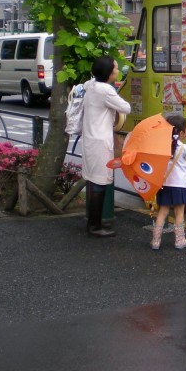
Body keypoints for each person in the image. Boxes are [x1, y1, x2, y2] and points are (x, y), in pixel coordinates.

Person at [81, 55, 132, 237]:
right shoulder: (105, 90)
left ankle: (93, 223)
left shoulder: (90, 85)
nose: (118, 71)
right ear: (109, 73)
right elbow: (126, 108)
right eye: (116, 68)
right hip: (101, 141)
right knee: (101, 182)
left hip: (90, 139)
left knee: (94, 180)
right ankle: (95, 226)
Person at [151, 114, 186, 250]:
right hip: (179, 185)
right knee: (179, 213)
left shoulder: (162, 146)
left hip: (165, 184)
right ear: (181, 132)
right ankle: (180, 240)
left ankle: (155, 241)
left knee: (162, 212)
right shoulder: (182, 147)